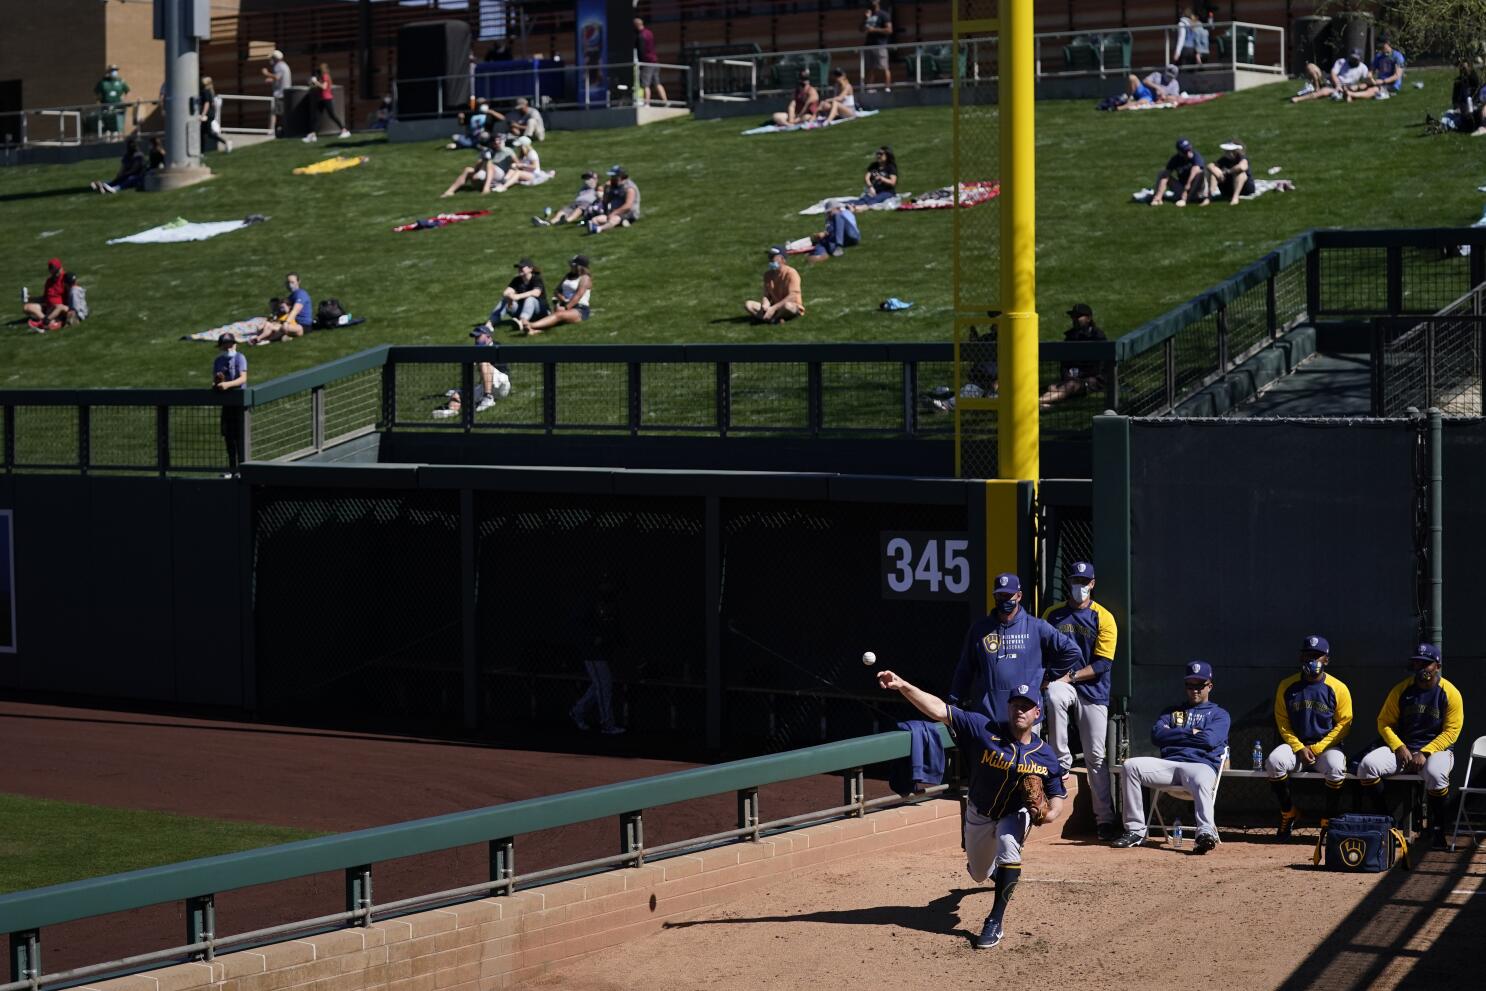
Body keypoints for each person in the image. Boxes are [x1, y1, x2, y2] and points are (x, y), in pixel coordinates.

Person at [876, 674, 1064, 950]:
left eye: (1026, 706)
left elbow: (1058, 795)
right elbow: (939, 710)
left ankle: (994, 921)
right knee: (978, 872)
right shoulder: (982, 728)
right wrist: (904, 685)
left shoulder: (1045, 754)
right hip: (979, 812)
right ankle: (992, 873)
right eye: (1015, 705)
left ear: (1038, 713)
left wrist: (1049, 815)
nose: (1019, 710)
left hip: (1014, 813)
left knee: (1008, 847)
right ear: (1008, 708)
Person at [1112, 660, 1231, 853]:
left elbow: (1209, 740)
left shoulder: (1219, 714)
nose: (1194, 690)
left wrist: (1175, 734)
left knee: (1202, 778)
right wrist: (1191, 732)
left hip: (1200, 766)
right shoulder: (1172, 712)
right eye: (1190, 685)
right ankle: (1135, 831)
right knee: (1130, 766)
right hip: (1169, 765)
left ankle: (1205, 833)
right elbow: (1157, 735)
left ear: (1210, 686)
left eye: (1199, 685)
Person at [1355, 643, 1463, 848]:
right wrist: (1398, 746)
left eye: (1427, 663)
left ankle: (1438, 830)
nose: (1422, 667)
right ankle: (1388, 824)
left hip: (1437, 750)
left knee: (1436, 773)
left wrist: (1426, 751)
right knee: (1367, 766)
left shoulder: (1450, 692)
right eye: (1418, 663)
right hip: (1404, 748)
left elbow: (1452, 732)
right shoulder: (1402, 690)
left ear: (1437, 665)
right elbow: (1384, 722)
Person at [1040, 561, 1119, 840]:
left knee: (1096, 757)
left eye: (1084, 581)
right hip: (1062, 685)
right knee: (1054, 695)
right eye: (1075, 580)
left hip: (1093, 689)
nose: (1080, 586)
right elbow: (1041, 650)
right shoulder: (1053, 614)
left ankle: (1105, 819)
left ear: (1093, 584)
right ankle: (1061, 759)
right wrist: (1048, 678)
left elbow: (1103, 664)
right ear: (1069, 582)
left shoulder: (1104, 617)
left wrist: (1069, 677)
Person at [947, 573, 1083, 726]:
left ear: (1018, 596)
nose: (1003, 599)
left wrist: (1049, 676)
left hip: (1026, 718)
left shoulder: (1037, 626)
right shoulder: (980, 629)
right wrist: (954, 701)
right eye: (999, 595)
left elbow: (1072, 651)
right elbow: (965, 668)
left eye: (1008, 595)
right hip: (988, 717)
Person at [1266, 635, 1353, 839]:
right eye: (1308, 655)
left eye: (1317, 656)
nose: (1312, 660)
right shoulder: (1287, 686)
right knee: (1274, 761)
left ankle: (1328, 820)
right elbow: (1283, 723)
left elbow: (1344, 725)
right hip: (1296, 747)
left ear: (1327, 660)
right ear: (1300, 658)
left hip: (1326, 748)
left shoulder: (1338, 688)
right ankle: (1288, 812)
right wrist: (1299, 747)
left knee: (1336, 767)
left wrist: (1317, 748)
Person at [570, 573, 627, 735]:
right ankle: (607, 724)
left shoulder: (611, 602)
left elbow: (612, 626)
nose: (609, 587)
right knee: (604, 685)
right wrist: (592, 638)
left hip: (605, 650)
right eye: (606, 583)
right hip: (592, 651)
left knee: (600, 685)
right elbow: (577, 624)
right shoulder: (588, 601)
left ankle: (578, 712)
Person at [1038, 304, 1107, 406]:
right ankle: (1043, 404)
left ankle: (1036, 402)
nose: (1074, 319)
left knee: (1070, 385)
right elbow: (1064, 363)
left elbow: (1098, 366)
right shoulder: (1071, 336)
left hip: (1092, 380)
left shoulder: (1097, 337)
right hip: (1071, 379)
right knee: (1051, 387)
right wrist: (1067, 376)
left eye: (1078, 316)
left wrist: (1078, 377)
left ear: (1088, 318)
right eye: (1073, 317)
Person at [431, 330, 510, 417]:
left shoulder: (496, 346)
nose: (476, 340)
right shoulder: (477, 351)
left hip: (501, 383)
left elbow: (494, 366)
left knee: (483, 361)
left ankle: (488, 397)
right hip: (484, 387)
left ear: (488, 336)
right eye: (475, 337)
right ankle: (451, 410)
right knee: (457, 394)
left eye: (478, 337)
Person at [516, 255, 591, 335]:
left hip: (579, 308)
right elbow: (557, 291)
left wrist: (566, 307)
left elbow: (578, 296)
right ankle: (533, 330)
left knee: (559, 315)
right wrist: (562, 301)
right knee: (556, 317)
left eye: (572, 264)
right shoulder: (568, 275)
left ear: (578, 266)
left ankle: (531, 325)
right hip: (564, 304)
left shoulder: (585, 278)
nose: (570, 266)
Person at [213, 334, 249, 476]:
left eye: (231, 343)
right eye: (226, 344)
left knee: (240, 437)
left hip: (239, 402)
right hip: (226, 403)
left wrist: (227, 384)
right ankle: (232, 469)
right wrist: (217, 383)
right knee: (228, 437)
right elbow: (215, 380)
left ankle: (242, 469)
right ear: (221, 346)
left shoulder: (240, 358)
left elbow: (243, 378)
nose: (229, 346)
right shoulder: (218, 361)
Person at [745, 246, 805, 324]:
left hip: (790, 306)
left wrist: (773, 308)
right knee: (748, 305)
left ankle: (769, 318)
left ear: (782, 259)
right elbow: (766, 295)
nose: (770, 259)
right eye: (770, 256)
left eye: (773, 257)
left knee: (787, 306)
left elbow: (793, 295)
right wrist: (765, 304)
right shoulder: (767, 275)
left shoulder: (791, 273)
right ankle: (774, 319)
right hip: (774, 307)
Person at [486, 258, 547, 329]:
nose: (520, 269)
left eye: (522, 267)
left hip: (540, 312)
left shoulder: (536, 278)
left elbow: (536, 293)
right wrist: (510, 296)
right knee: (505, 299)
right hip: (522, 310)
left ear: (530, 269)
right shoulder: (517, 280)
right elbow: (506, 292)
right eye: (519, 267)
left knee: (530, 299)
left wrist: (518, 296)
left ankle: (523, 321)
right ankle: (490, 323)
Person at [250, 274, 311, 345]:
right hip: (292, 323)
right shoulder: (292, 296)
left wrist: (286, 322)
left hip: (302, 326)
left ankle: (265, 339)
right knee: (269, 325)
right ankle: (259, 338)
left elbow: (295, 310)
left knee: (277, 327)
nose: (290, 285)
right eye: (288, 282)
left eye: (292, 282)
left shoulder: (301, 294)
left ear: (298, 282)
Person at [1292, 49, 1370, 104]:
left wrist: (1357, 87)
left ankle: (1299, 99)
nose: (1353, 60)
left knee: (1324, 91)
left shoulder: (1363, 68)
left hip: (1346, 87)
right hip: (1332, 81)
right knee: (1311, 66)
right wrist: (1337, 85)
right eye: (1352, 58)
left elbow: (1366, 82)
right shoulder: (1341, 62)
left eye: (1355, 59)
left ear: (1360, 59)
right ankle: (1316, 87)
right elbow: (1333, 73)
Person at [532, 170, 603, 227]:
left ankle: (567, 220)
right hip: (575, 203)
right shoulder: (583, 187)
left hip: (587, 204)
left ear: (595, 179)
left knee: (580, 209)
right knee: (563, 210)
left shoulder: (598, 187)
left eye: (588, 178)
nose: (586, 180)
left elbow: (601, 198)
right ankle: (550, 222)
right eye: (585, 178)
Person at [1150, 137, 1206, 207]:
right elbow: (1166, 173)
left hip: (1197, 189)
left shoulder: (1196, 156)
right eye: (1185, 152)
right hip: (1182, 189)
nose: (1188, 153)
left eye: (1189, 150)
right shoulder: (1175, 159)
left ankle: (1186, 199)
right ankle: (1157, 198)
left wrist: (1187, 187)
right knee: (1163, 173)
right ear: (1179, 152)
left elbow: (1196, 169)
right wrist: (1158, 193)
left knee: (1198, 173)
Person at [303, 63, 351, 141]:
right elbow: (318, 87)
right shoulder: (321, 77)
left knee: (332, 115)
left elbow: (324, 87)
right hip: (321, 99)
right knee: (316, 117)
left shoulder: (325, 76)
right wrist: (312, 83)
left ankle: (345, 130)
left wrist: (316, 82)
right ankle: (313, 134)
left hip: (327, 98)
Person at [587, 165, 641, 233]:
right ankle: (621, 223)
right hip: (614, 213)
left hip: (629, 213)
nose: (612, 178)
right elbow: (606, 201)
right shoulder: (615, 185)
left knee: (614, 219)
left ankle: (599, 229)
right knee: (594, 220)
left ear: (620, 176)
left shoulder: (629, 188)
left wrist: (614, 213)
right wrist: (606, 189)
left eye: (614, 176)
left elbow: (628, 206)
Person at [22, 258, 68, 331]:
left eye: (56, 271)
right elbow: (45, 298)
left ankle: (45, 322)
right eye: (52, 271)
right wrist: (32, 299)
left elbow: (72, 294)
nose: (54, 273)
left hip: (59, 310)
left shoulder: (65, 279)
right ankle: (48, 321)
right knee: (27, 307)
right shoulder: (49, 281)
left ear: (60, 268)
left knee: (58, 307)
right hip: (48, 308)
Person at [1206, 139, 1254, 206]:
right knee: (1213, 174)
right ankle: (1209, 197)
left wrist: (1229, 171)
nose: (1225, 152)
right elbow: (1210, 165)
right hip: (1227, 188)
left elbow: (1242, 167)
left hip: (1245, 189)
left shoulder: (1241, 158)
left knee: (1240, 174)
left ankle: (1235, 197)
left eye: (1228, 151)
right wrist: (1218, 173)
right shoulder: (1223, 160)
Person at [849, 145, 898, 211]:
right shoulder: (874, 165)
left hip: (887, 191)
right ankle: (851, 206)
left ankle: (862, 208)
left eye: (881, 154)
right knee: (863, 199)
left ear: (887, 155)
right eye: (877, 153)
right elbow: (867, 177)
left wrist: (882, 178)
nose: (878, 156)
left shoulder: (890, 167)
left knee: (876, 199)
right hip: (875, 190)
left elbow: (893, 182)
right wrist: (870, 187)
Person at [633, 17, 668, 106]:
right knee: (657, 83)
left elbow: (641, 51)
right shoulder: (649, 33)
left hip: (647, 62)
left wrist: (641, 63)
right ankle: (665, 102)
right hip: (655, 61)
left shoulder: (641, 36)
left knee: (645, 85)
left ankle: (647, 103)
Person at [862, 1, 893, 92]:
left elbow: (889, 30)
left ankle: (887, 87)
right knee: (870, 68)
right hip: (869, 45)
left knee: (884, 67)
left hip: (880, 45)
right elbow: (861, 29)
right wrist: (865, 19)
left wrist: (874, 30)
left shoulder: (883, 15)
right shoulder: (868, 14)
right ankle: (870, 88)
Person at [260, 49, 291, 136]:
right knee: (280, 113)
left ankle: (271, 130)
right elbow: (279, 78)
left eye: (272, 58)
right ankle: (281, 129)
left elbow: (277, 77)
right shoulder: (284, 66)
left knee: (274, 113)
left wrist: (266, 73)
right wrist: (271, 80)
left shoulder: (279, 66)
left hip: (280, 94)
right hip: (284, 93)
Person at [94, 64, 130, 135]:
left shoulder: (121, 81)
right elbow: (96, 92)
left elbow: (128, 91)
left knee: (116, 130)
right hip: (105, 108)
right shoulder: (103, 82)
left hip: (118, 108)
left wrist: (124, 99)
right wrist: (98, 100)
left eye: (115, 70)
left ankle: (116, 141)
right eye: (112, 70)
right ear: (108, 71)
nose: (114, 72)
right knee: (107, 131)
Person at [199, 76, 232, 153]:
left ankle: (225, 142)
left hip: (207, 115)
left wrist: (203, 114)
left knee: (207, 133)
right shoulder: (210, 91)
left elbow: (207, 103)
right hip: (210, 114)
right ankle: (201, 152)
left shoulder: (205, 91)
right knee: (203, 133)